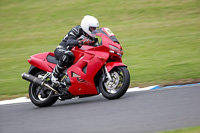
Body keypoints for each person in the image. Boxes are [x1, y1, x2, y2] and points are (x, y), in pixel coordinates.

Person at [51, 15, 99, 84]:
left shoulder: (92, 37)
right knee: (69, 54)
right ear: (86, 26)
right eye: (92, 28)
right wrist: (80, 42)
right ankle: (54, 74)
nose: (94, 30)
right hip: (62, 49)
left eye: (95, 28)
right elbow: (69, 42)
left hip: (75, 54)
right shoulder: (77, 30)